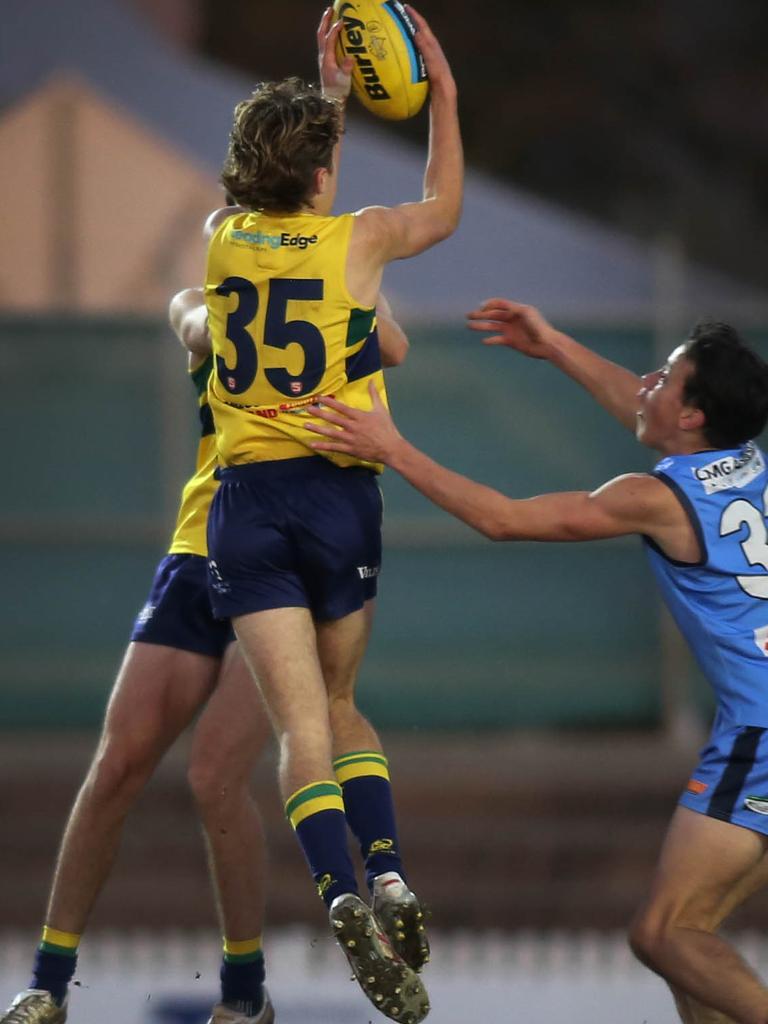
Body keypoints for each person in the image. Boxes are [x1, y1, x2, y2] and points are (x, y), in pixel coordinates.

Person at [306, 298, 768, 1024]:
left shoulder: (657, 497)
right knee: (692, 941)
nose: (647, 380)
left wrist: (390, 447)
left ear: (693, 417)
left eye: (666, 378)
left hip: (760, 735)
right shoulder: (742, 458)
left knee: (664, 934)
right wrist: (554, 345)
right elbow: (645, 410)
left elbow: (502, 518)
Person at [201, 6, 462, 1022]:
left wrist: (328, 108)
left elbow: (290, 201)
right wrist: (439, 96)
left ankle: (339, 892)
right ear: (322, 171)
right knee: (345, 703)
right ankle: (388, 869)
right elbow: (441, 205)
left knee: (297, 725)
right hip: (339, 494)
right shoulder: (361, 241)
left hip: (247, 503)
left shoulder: (222, 240)